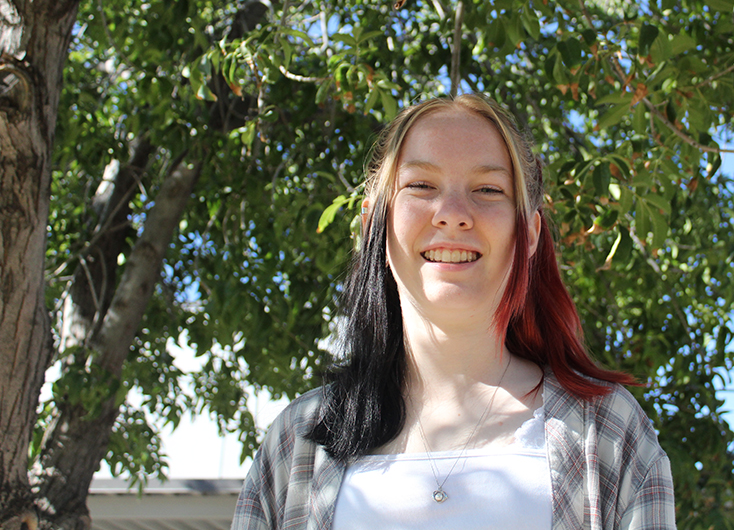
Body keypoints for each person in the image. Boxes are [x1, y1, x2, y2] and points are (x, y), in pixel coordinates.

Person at [232, 94, 676, 530]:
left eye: (488, 189)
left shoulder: (609, 433)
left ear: (531, 233)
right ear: (373, 226)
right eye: (421, 186)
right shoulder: (300, 441)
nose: (453, 214)